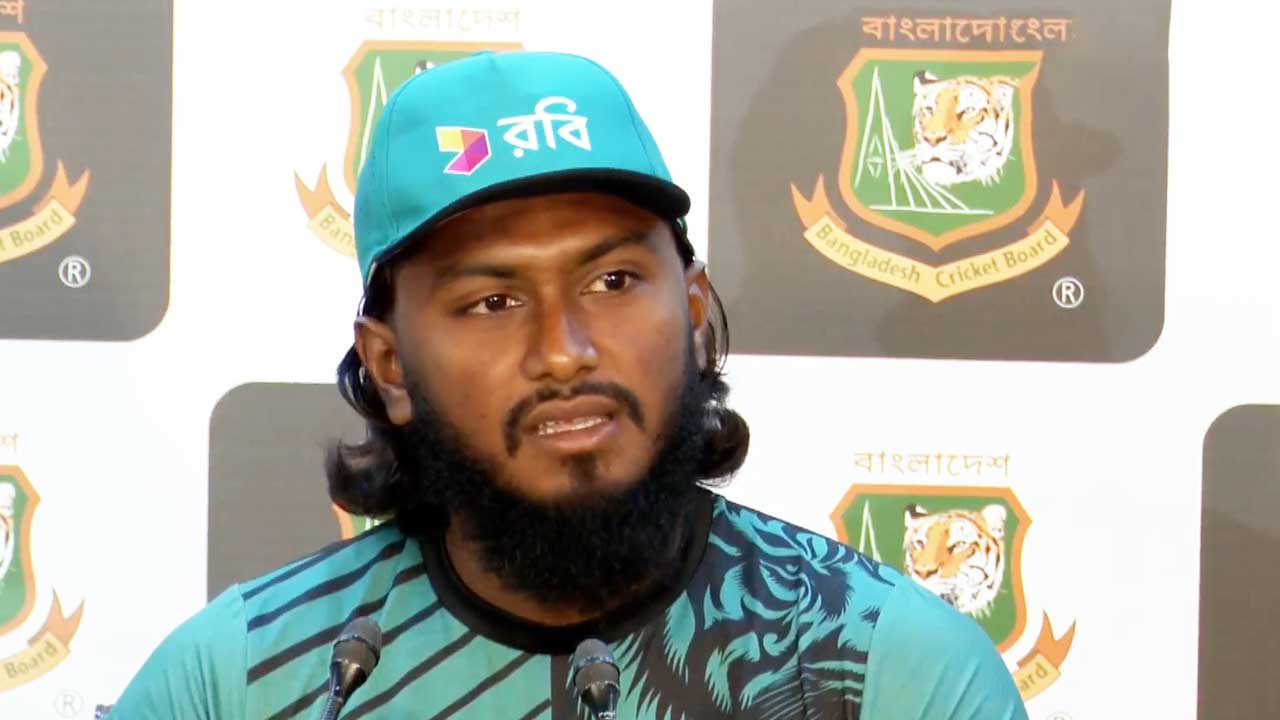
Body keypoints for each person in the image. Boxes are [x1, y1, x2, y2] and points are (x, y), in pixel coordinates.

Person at [111, 50, 1027, 719]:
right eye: (493, 300)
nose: (564, 350)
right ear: (389, 367)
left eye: (613, 281)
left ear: (694, 312)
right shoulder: (241, 680)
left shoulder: (886, 668)